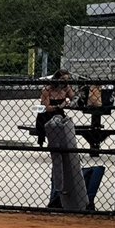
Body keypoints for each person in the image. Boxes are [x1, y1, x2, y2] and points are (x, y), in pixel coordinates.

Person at [39, 70, 87, 211]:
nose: (65, 82)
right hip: (47, 115)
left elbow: (74, 99)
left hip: (59, 113)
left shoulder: (66, 88)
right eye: (63, 79)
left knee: (63, 122)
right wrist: (59, 106)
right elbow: (45, 107)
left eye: (67, 80)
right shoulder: (47, 90)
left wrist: (76, 98)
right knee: (56, 123)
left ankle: (62, 147)